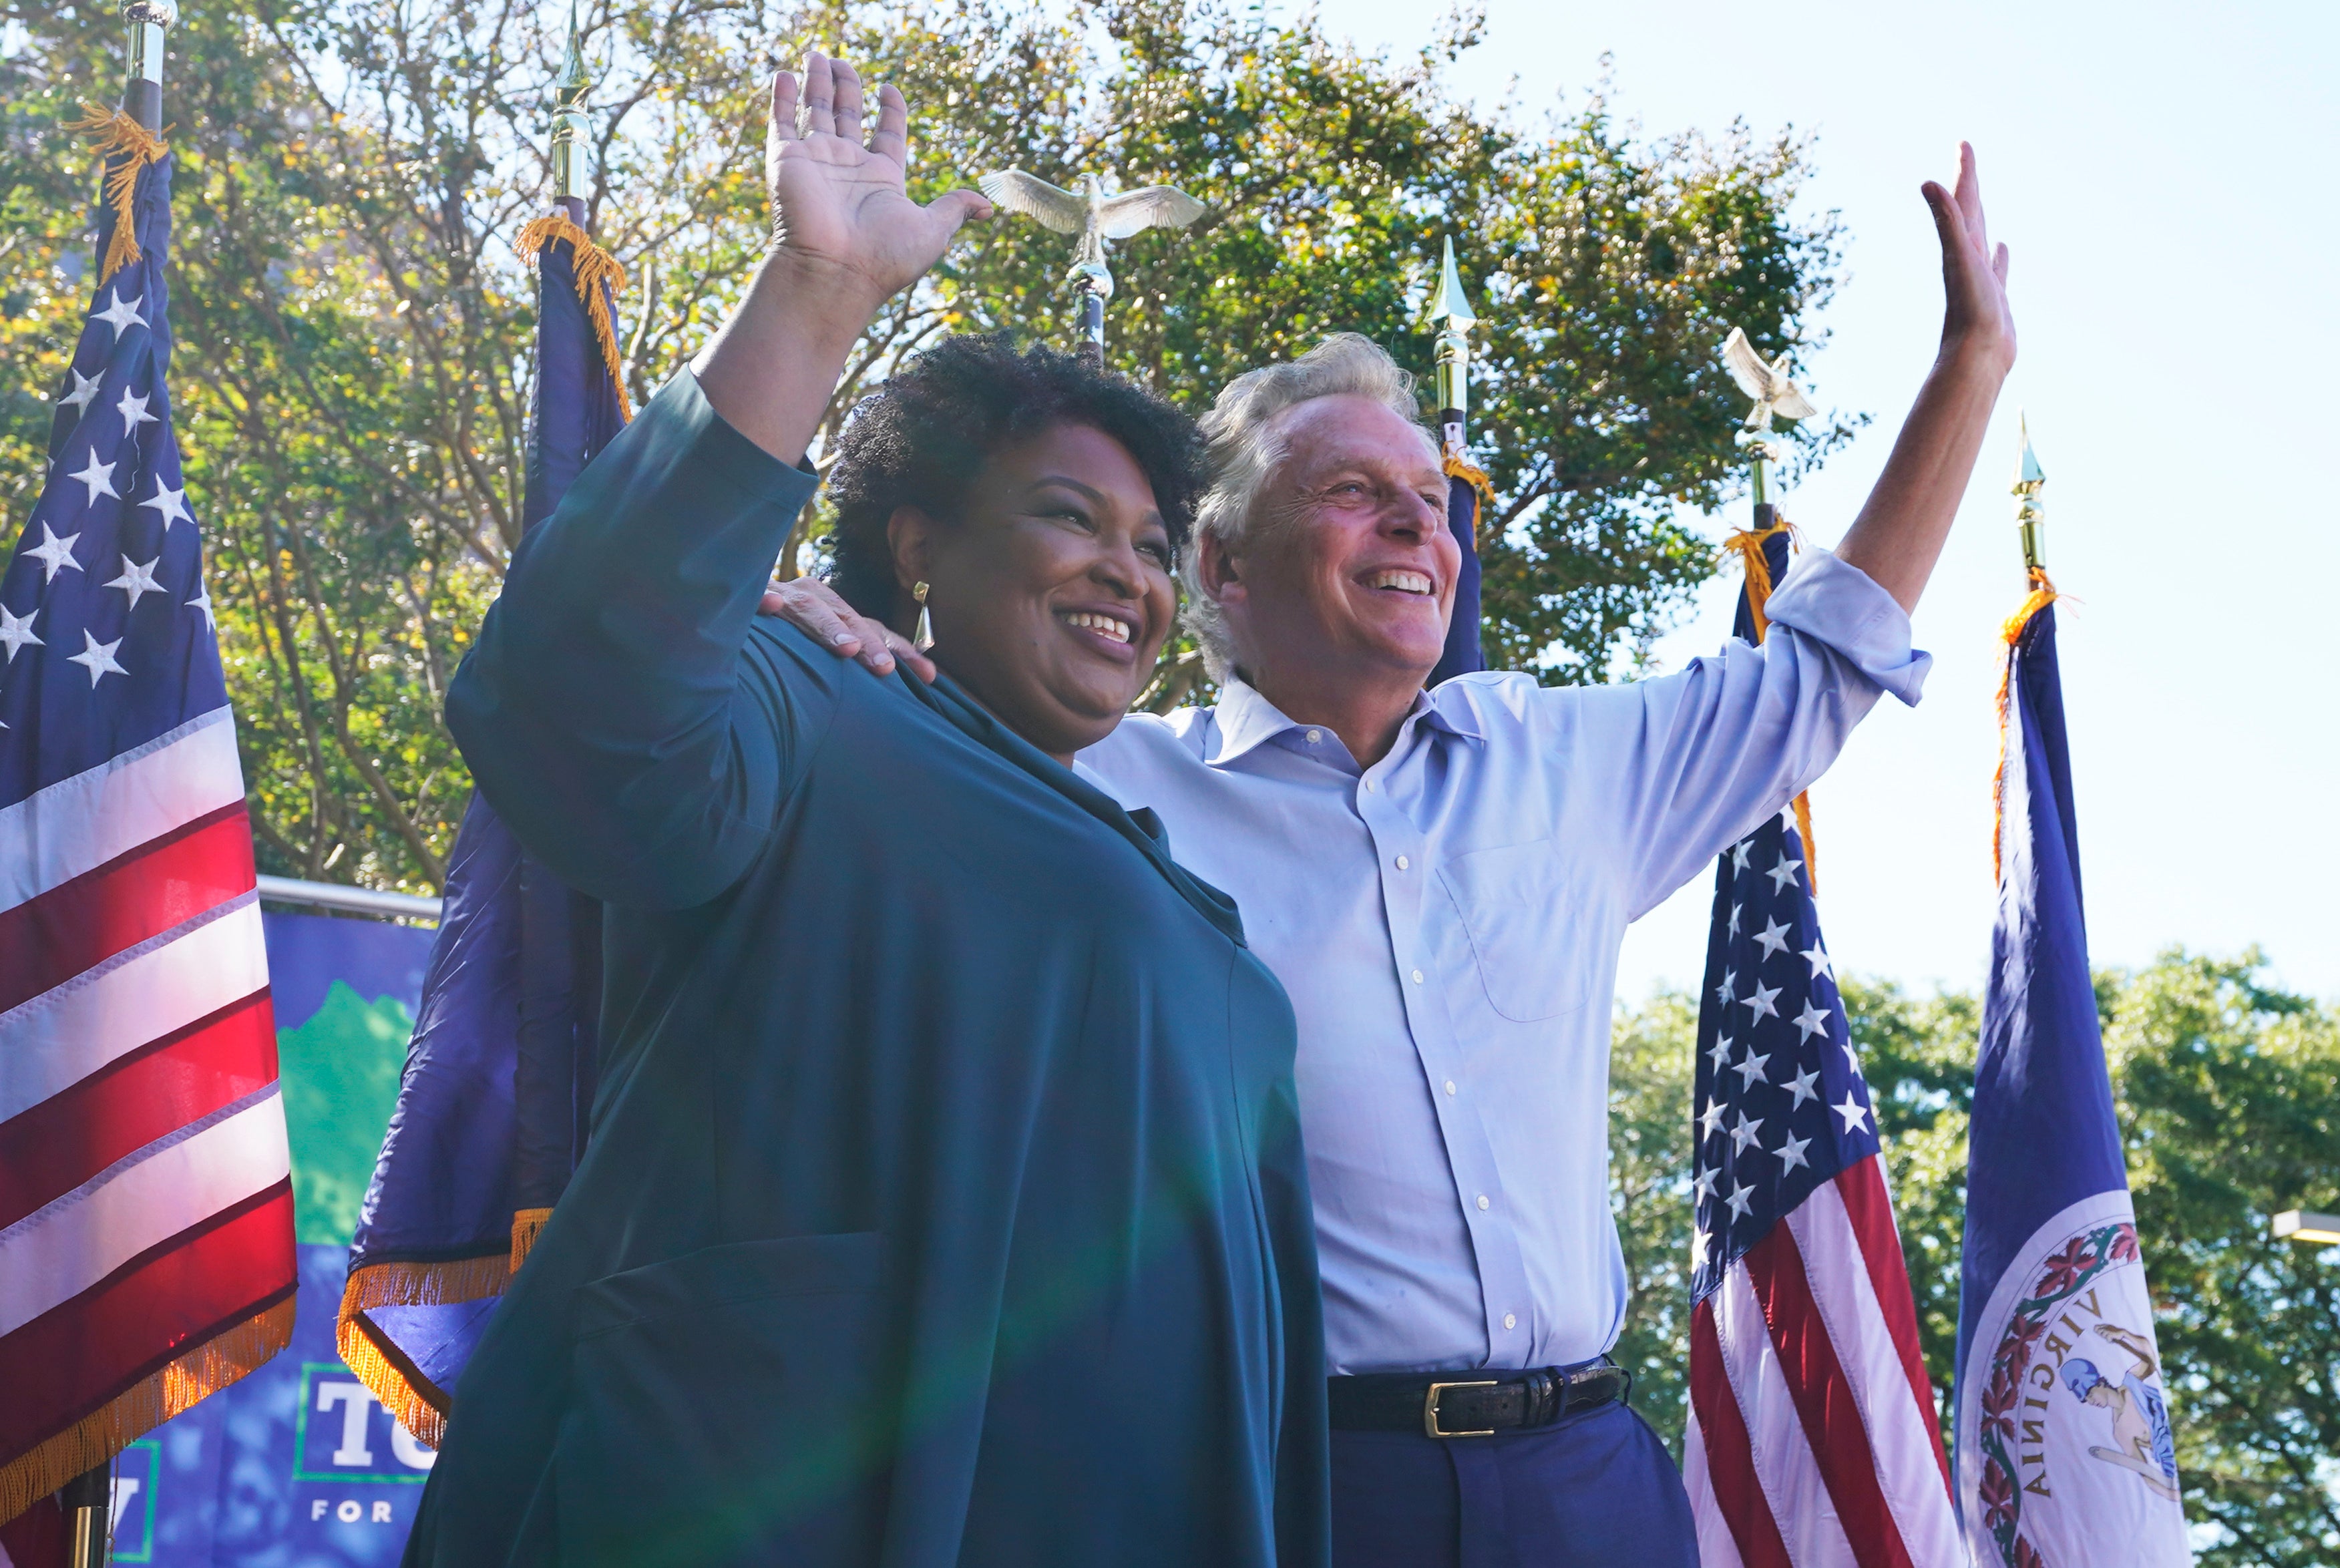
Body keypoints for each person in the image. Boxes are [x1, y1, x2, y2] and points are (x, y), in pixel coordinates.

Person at [769, 141, 2017, 1564]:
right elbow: (883, 739)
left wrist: (1970, 364)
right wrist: (837, 633)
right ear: (1223, 571)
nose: (1423, 522)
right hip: (1304, 1484)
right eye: (1356, 492)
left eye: (1429, 496)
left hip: (1594, 1482)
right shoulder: (1090, 780)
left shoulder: (1567, 767)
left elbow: (1825, 664)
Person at [405, 55, 1327, 1568]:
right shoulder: (812, 693)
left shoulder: (1193, 917)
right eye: (1067, 517)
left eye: (1157, 545)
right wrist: (817, 291)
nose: (1130, 574)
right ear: (914, 549)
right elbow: (576, 699)